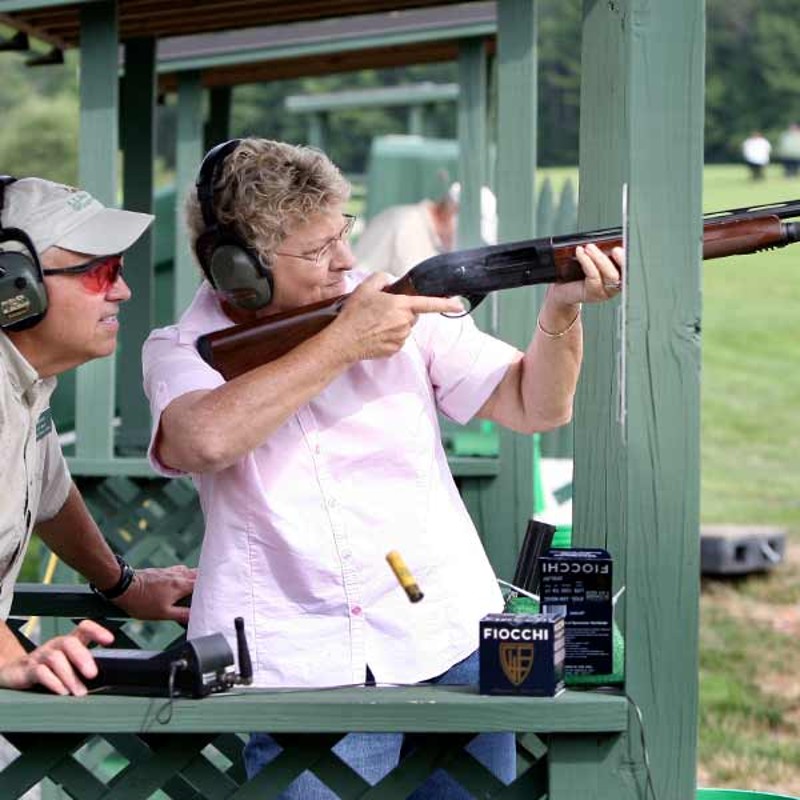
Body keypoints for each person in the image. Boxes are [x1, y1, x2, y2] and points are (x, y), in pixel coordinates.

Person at [142, 137, 623, 798]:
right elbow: (204, 440)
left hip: (450, 638)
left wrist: (562, 309)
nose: (346, 261)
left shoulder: (396, 313)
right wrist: (345, 343)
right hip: (301, 670)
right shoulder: (182, 349)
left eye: (344, 233)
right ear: (236, 268)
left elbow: (532, 404)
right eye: (317, 250)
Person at [0, 176, 196, 697]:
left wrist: (121, 583)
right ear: (13, 285)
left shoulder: (23, 377)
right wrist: (10, 661)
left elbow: (50, 497)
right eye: (98, 272)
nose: (123, 290)